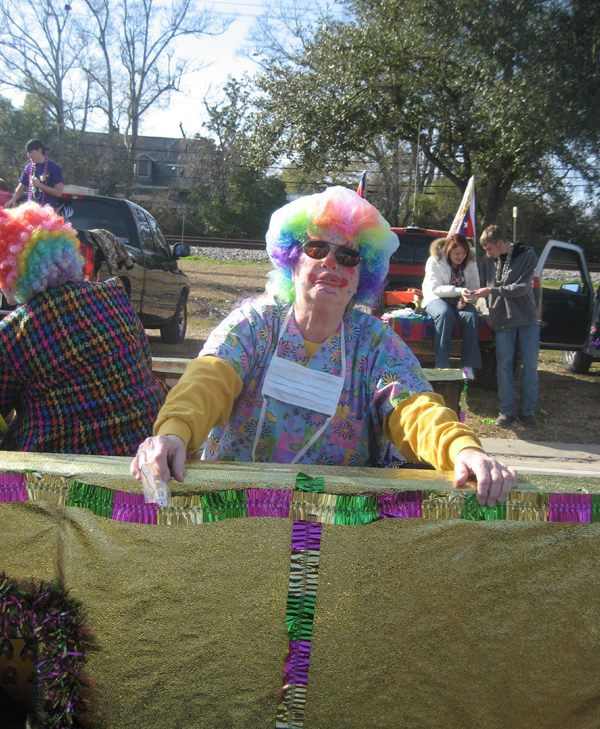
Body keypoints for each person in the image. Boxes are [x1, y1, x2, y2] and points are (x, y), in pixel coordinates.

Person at [132, 187, 517, 506]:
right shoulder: (255, 325)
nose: (332, 263)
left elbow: (414, 408)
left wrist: (463, 449)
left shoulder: (375, 343)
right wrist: (174, 432)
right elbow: (209, 379)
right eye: (317, 250)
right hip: (234, 513)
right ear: (293, 262)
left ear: (359, 278)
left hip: (337, 523)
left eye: (348, 257)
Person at [0, 203, 168, 454]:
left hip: (63, 470)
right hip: (146, 450)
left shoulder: (16, 331)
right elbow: (144, 364)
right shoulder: (114, 295)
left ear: (11, 270)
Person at [472, 225, 540, 428]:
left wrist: (492, 290)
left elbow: (520, 288)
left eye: (490, 249)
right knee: (503, 366)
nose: (487, 253)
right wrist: (491, 313)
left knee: (529, 366)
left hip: (526, 318)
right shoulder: (488, 261)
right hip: (502, 319)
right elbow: (484, 286)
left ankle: (527, 412)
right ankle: (506, 411)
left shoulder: (527, 255)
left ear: (500, 244)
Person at [421, 233, 482, 371]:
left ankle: (468, 365)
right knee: (444, 314)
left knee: (471, 317)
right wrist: (459, 291)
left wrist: (467, 298)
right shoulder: (434, 261)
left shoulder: (471, 263)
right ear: (448, 251)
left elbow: (475, 287)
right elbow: (435, 288)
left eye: (464, 253)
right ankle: (442, 365)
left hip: (460, 300)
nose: (461, 257)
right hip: (435, 298)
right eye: (457, 253)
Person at [5, 139, 64, 210]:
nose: (28, 155)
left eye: (31, 152)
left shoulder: (54, 168)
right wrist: (13, 199)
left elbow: (59, 192)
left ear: (40, 150)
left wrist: (40, 186)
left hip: (47, 214)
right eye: (27, 153)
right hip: (31, 212)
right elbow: (21, 187)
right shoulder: (28, 168)